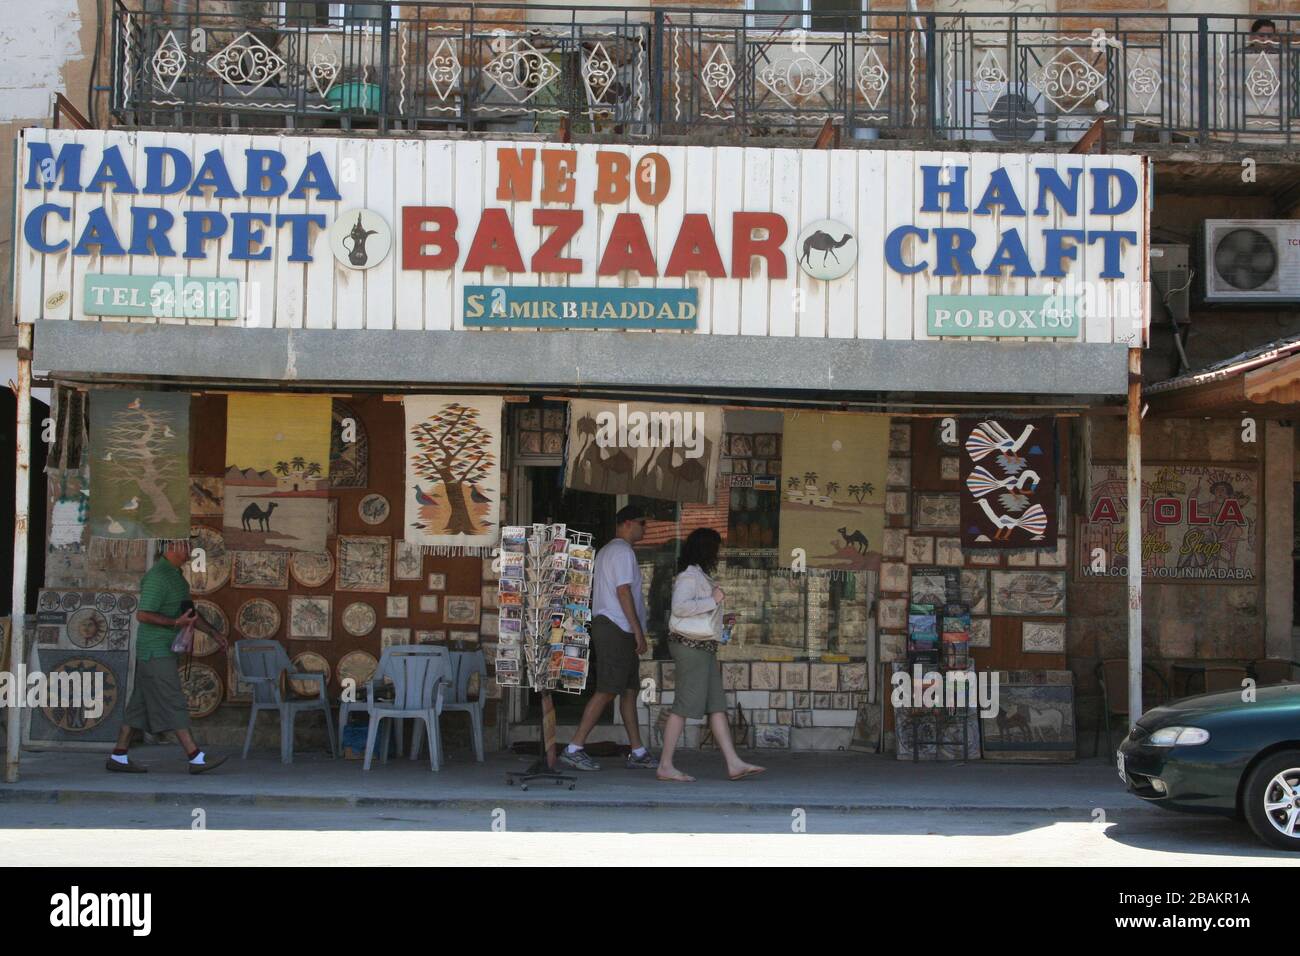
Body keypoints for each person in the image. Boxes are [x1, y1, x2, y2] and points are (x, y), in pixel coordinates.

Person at [108, 540, 228, 774]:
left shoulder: (177, 576)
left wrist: (213, 633)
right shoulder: (158, 577)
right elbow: (143, 614)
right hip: (155, 651)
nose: (190, 550)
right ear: (171, 547)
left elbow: (189, 613)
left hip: (163, 650)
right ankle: (195, 757)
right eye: (185, 546)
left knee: (138, 706)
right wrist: (175, 623)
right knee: (173, 700)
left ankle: (118, 755)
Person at [656, 527, 765, 783]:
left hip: (703, 648)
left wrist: (718, 614)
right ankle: (665, 764)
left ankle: (734, 762)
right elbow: (680, 607)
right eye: (717, 547)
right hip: (690, 648)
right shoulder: (689, 576)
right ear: (707, 549)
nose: (720, 553)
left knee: (716, 705)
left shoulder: (700, 575)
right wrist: (713, 601)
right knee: (684, 704)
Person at [560, 504, 658, 771]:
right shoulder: (622, 552)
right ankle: (574, 747)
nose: (644, 528)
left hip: (615, 626)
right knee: (607, 689)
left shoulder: (608, 551)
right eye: (642, 523)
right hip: (617, 626)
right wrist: (637, 629)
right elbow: (623, 592)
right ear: (627, 523)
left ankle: (637, 750)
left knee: (628, 690)